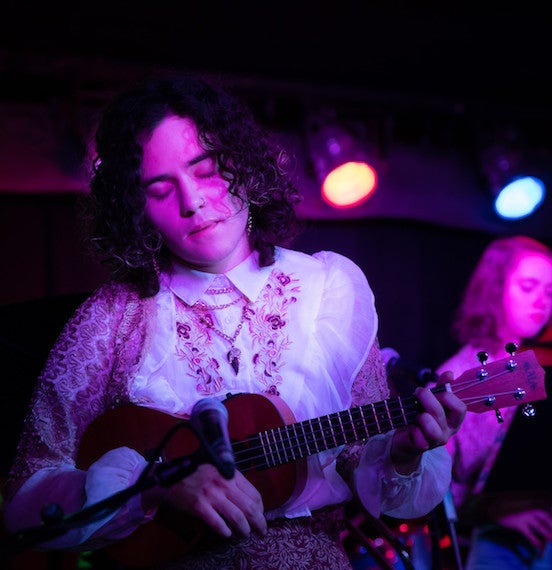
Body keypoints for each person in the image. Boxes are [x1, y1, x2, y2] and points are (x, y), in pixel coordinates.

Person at [1, 75, 466, 569]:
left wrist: (404, 451)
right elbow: (26, 498)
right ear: (135, 210)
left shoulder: (330, 289)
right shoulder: (113, 319)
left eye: (205, 171)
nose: (192, 201)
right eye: (160, 190)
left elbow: (361, 463)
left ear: (241, 165)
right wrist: (156, 485)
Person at [437, 235, 552, 570]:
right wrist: (491, 509)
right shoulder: (459, 372)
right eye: (528, 286)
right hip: (501, 539)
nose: (541, 302)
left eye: (549, 292)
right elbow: (434, 484)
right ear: (495, 290)